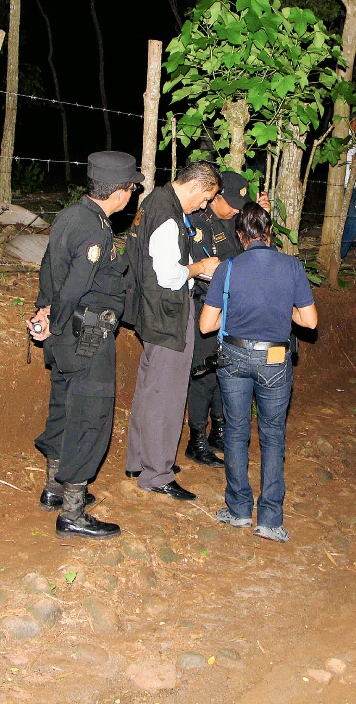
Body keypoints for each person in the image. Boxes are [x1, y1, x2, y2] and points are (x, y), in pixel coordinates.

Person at [27, 151, 142, 539]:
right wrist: (55, 323)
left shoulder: (71, 216)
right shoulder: (95, 229)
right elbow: (76, 286)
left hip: (64, 333)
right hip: (87, 330)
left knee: (63, 405)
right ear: (122, 192)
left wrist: (44, 314)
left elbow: (49, 267)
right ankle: (73, 513)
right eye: (132, 187)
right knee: (90, 413)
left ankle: (53, 491)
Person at [198, 203, 318, 543]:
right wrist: (284, 312)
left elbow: (207, 325)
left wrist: (235, 315)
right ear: (269, 231)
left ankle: (237, 511)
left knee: (235, 433)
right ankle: (269, 520)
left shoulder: (228, 268)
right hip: (275, 357)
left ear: (240, 235)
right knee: (273, 436)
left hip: (234, 356)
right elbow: (309, 321)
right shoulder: (291, 265)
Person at [123, 161, 222, 500]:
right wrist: (200, 267)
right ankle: (157, 473)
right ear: (195, 187)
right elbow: (169, 276)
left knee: (151, 389)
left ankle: (141, 459)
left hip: (150, 311)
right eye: (206, 198)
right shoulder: (168, 214)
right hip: (168, 314)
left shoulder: (153, 201)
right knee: (167, 394)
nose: (204, 205)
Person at [183, 171, 250, 468]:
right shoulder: (194, 221)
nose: (236, 210)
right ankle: (196, 438)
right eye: (231, 204)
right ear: (216, 196)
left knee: (226, 369)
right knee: (203, 373)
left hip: (229, 307)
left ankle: (218, 429)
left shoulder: (233, 220)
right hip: (203, 306)